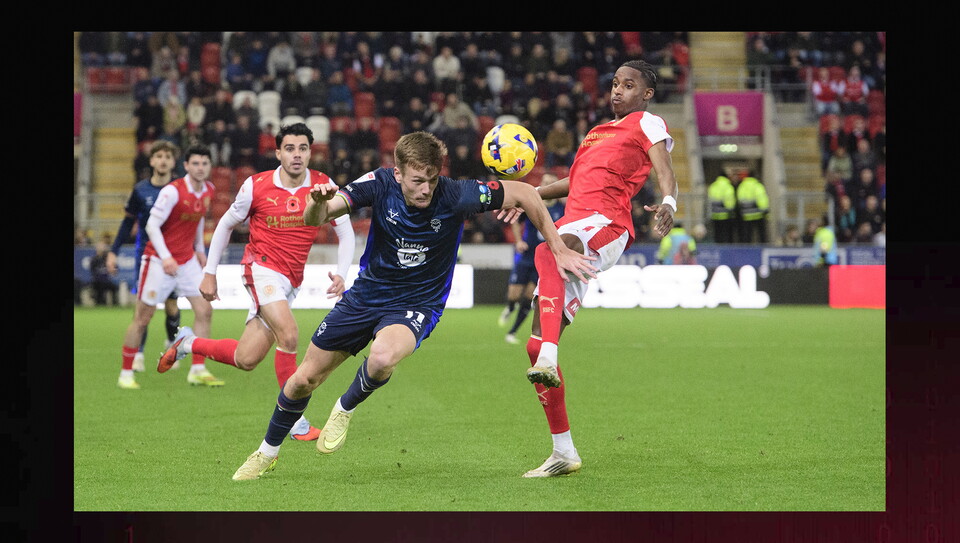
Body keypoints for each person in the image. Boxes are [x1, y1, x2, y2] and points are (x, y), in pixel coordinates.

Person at [230, 130, 596, 480]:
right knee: (302, 381)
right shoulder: (377, 182)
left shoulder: (456, 194)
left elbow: (527, 194)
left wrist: (559, 248)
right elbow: (319, 217)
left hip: (418, 302)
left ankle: (345, 406)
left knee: (383, 357)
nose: (425, 189)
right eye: (417, 180)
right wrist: (316, 203)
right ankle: (266, 453)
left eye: (432, 180)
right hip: (366, 296)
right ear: (397, 172)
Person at [499, 60, 679, 478]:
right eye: (615, 83)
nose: (618, 90)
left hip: (607, 225)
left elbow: (666, 172)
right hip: (572, 223)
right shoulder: (596, 132)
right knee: (535, 343)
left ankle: (548, 354)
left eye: (629, 85)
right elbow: (573, 183)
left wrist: (669, 203)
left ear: (646, 94)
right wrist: (526, 196)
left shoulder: (647, 122)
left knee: (549, 251)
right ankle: (563, 451)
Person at [159, 123, 355, 441]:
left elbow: (345, 231)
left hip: (291, 280)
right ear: (277, 152)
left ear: (310, 152)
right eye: (289, 148)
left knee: (246, 359)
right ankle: (295, 420)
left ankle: (188, 343)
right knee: (289, 335)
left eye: (303, 148)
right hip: (260, 269)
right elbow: (224, 224)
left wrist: (343, 273)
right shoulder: (256, 185)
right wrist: (209, 271)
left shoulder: (323, 185)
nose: (296, 155)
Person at [117, 145, 222, 390]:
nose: (200, 168)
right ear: (185, 166)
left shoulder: (208, 189)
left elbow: (198, 220)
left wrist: (199, 250)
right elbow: (152, 226)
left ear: (209, 167)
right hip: (157, 261)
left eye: (204, 163)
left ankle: (198, 369)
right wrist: (165, 257)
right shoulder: (172, 192)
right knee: (143, 317)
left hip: (186, 261)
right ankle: (125, 373)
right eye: (195, 163)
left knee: (204, 310)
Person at [107, 140, 184, 372]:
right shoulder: (140, 190)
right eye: (158, 156)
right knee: (144, 307)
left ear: (173, 162)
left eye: (167, 157)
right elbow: (127, 223)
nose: (163, 160)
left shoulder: (180, 189)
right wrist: (113, 251)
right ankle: (138, 353)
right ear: (151, 161)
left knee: (172, 305)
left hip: (173, 257)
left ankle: (172, 344)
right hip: (146, 257)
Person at [498, 174, 565, 345]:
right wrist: (518, 240)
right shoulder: (533, 202)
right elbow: (514, 220)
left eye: (551, 183)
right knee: (514, 295)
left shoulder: (561, 208)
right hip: (526, 255)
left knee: (529, 296)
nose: (548, 185)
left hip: (544, 258)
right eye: (546, 182)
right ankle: (510, 307)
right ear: (541, 184)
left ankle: (512, 332)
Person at [735, 170, 769, 244]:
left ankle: (746, 250)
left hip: (747, 214)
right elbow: (761, 198)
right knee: (761, 233)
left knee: (747, 234)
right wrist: (765, 211)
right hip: (758, 214)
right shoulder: (757, 185)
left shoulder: (742, 186)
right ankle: (763, 246)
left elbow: (740, 199)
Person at [707, 173, 737, 243]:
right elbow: (729, 201)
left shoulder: (713, 186)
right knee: (726, 233)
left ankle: (718, 247)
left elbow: (709, 200)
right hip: (725, 215)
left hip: (715, 214)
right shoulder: (728, 186)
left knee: (717, 233)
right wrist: (731, 210)